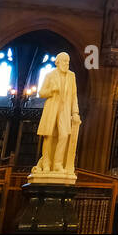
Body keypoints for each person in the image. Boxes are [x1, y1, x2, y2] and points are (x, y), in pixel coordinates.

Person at [32, 52, 80, 180]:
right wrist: (52, 90)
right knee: (49, 136)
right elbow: (41, 92)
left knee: (64, 135)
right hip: (52, 109)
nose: (66, 64)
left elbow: (74, 95)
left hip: (65, 110)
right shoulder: (50, 75)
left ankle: (58, 163)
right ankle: (47, 164)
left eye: (68, 61)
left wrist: (75, 112)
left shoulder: (71, 76)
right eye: (64, 61)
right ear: (57, 62)